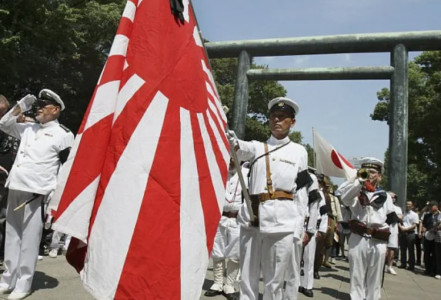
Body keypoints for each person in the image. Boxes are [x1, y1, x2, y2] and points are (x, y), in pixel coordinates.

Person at [228, 96, 310, 300]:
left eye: (282, 117)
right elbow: (240, 147)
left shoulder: (299, 151)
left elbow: (301, 194)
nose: (276, 120)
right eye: (273, 116)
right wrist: (230, 138)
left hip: (282, 223)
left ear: (293, 122)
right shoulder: (257, 147)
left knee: (274, 281)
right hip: (252, 219)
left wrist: (298, 230)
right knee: (247, 277)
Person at [0, 89, 74, 300]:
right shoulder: (28, 128)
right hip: (16, 186)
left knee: (30, 240)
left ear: (56, 109)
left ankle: (24, 284)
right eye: (38, 104)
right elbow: (4, 124)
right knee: (12, 237)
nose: (39, 108)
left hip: (37, 192)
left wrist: (55, 195)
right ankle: (8, 279)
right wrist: (20, 106)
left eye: (44, 105)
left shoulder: (64, 134)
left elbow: (67, 167)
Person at [336, 157, 398, 300]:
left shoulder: (385, 197)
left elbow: (392, 222)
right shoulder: (355, 192)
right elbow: (344, 198)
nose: (369, 175)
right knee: (357, 274)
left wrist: (392, 245)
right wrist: (359, 181)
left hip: (378, 239)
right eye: (366, 171)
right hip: (358, 238)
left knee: (375, 277)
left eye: (372, 172)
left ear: (379, 176)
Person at [204, 160, 248, 300]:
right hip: (219, 217)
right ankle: (217, 283)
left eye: (232, 159)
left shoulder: (247, 174)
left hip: (237, 219)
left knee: (235, 254)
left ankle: (229, 284)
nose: (230, 162)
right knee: (217, 252)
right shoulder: (219, 171)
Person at [297, 170, 327, 298]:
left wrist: (321, 229)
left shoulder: (319, 194)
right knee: (297, 258)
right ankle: (297, 282)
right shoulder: (298, 190)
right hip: (298, 225)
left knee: (309, 258)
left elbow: (324, 213)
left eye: (319, 181)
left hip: (312, 226)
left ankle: (308, 285)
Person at [0, 96, 20, 262]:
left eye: (4, 111)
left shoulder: (13, 129)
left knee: (5, 219)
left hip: (9, 181)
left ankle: (3, 255)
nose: (3, 114)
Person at [420, 201, 439, 276]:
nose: (430, 207)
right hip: (427, 236)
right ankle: (427, 269)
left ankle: (433, 270)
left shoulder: (439, 215)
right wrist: (423, 229)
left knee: (434, 254)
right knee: (427, 253)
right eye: (430, 206)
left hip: (436, 237)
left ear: (436, 206)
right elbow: (424, 224)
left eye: (432, 206)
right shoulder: (427, 215)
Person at [398, 200, 419, 271]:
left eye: (409, 205)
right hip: (403, 233)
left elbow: (415, 225)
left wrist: (406, 229)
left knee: (411, 250)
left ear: (412, 206)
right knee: (403, 249)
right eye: (407, 204)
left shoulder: (414, 214)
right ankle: (403, 263)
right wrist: (401, 228)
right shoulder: (402, 213)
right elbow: (399, 222)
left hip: (410, 233)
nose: (408, 206)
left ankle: (411, 265)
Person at [385, 192, 402, 275]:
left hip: (393, 230)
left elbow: (400, 218)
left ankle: (390, 266)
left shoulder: (397, 208)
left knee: (392, 249)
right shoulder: (382, 207)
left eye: (394, 197)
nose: (393, 198)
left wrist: (392, 214)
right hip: (384, 229)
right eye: (391, 197)